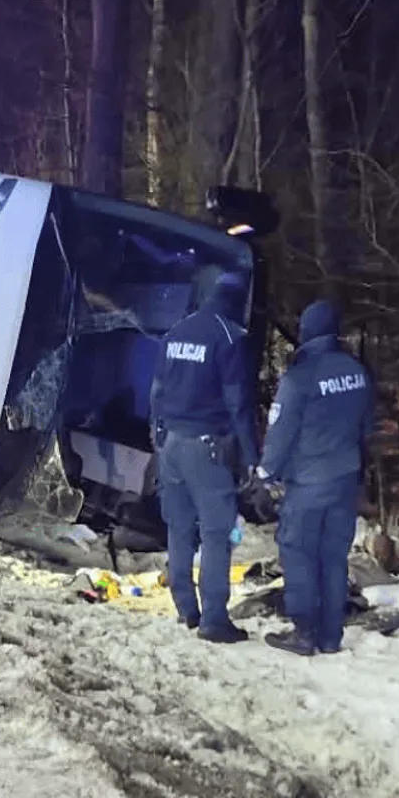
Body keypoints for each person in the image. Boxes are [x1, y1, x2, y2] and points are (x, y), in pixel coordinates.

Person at [257, 301, 377, 657]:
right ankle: (330, 636)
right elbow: (366, 426)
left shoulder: (300, 377)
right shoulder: (356, 370)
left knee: (299, 554)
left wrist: (266, 475)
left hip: (309, 481)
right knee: (333, 556)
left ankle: (305, 633)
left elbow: (280, 432)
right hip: (345, 478)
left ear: (307, 331)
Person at [149, 266, 257, 644]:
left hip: (171, 444)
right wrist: (249, 454)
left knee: (178, 528)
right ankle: (214, 618)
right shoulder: (228, 336)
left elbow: (157, 391)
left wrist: (157, 435)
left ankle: (186, 609)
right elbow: (238, 402)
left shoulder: (176, 332)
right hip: (205, 446)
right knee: (216, 531)